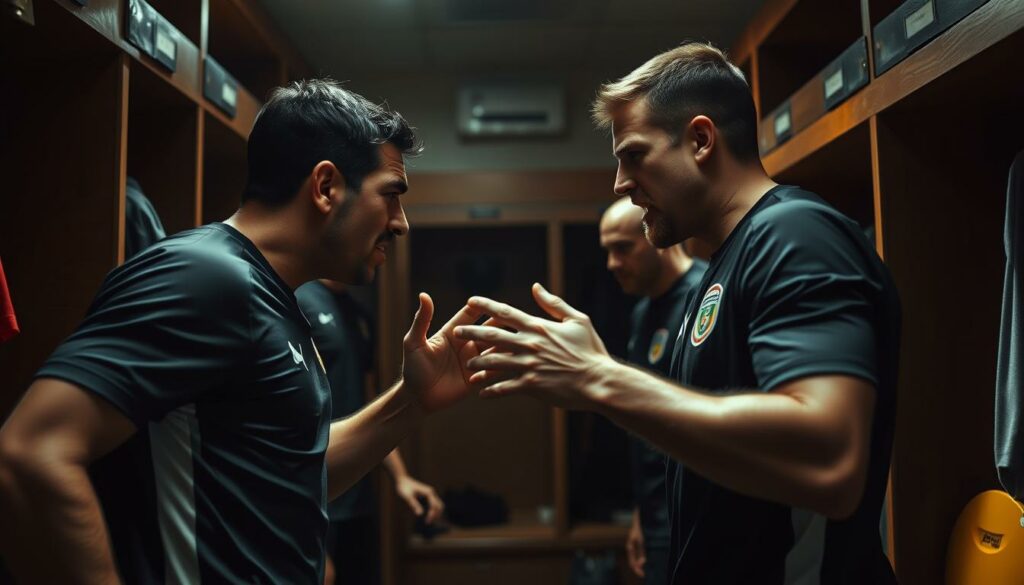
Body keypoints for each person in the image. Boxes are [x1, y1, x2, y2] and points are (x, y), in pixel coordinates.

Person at [0, 79, 488, 584]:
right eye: (390, 196)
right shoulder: (203, 276)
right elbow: (32, 454)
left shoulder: (273, 296)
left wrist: (413, 400)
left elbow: (291, 476)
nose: (401, 222)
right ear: (326, 188)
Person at [455, 42, 901, 584]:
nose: (620, 182)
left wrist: (600, 379)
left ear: (700, 139)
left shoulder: (794, 234)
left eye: (633, 155)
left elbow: (831, 459)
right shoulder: (723, 265)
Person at [295, 279, 443, 585]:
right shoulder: (299, 300)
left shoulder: (360, 313)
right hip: (316, 495)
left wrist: (400, 477)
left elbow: (368, 401)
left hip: (358, 492)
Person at [599, 197, 706, 584]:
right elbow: (647, 430)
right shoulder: (643, 312)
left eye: (623, 248)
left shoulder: (704, 296)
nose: (612, 263)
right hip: (658, 517)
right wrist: (641, 517)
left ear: (656, 235)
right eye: (607, 251)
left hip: (701, 520)